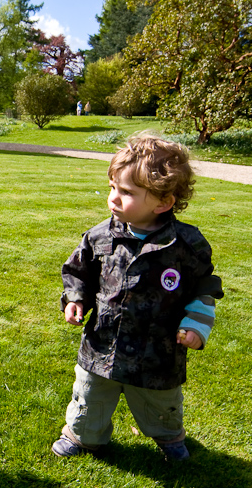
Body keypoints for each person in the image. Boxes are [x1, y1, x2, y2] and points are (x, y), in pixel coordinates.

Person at [52, 134, 223, 462]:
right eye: (113, 187)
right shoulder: (100, 236)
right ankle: (83, 435)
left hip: (156, 353)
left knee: (160, 402)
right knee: (89, 396)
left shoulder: (186, 246)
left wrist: (197, 326)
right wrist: (76, 299)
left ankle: (169, 437)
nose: (113, 198)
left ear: (163, 202)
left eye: (127, 192)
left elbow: (204, 286)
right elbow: (79, 272)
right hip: (102, 344)